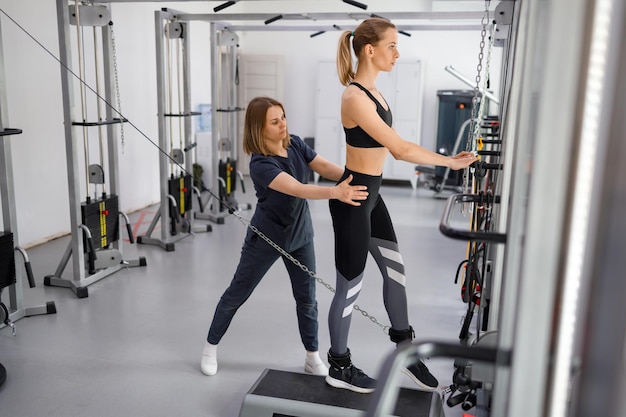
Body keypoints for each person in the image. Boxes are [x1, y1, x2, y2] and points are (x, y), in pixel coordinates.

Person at [325, 18, 478, 394]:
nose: (397, 52)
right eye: (391, 45)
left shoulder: (376, 94)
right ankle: (339, 365)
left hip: (372, 196)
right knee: (350, 287)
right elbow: (399, 149)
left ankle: (406, 351)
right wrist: (450, 163)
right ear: (369, 50)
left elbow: (394, 144)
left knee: (396, 273)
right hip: (354, 198)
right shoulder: (354, 97)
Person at [201, 96, 369, 377]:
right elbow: (295, 188)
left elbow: (324, 166)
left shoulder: (295, 143)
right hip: (266, 237)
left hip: (300, 235)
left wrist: (357, 180)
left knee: (307, 299)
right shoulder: (260, 164)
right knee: (237, 294)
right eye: (274, 121)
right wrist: (335, 192)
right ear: (259, 128)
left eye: (283, 117)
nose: (283, 125)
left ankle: (312, 356)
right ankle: (209, 348)